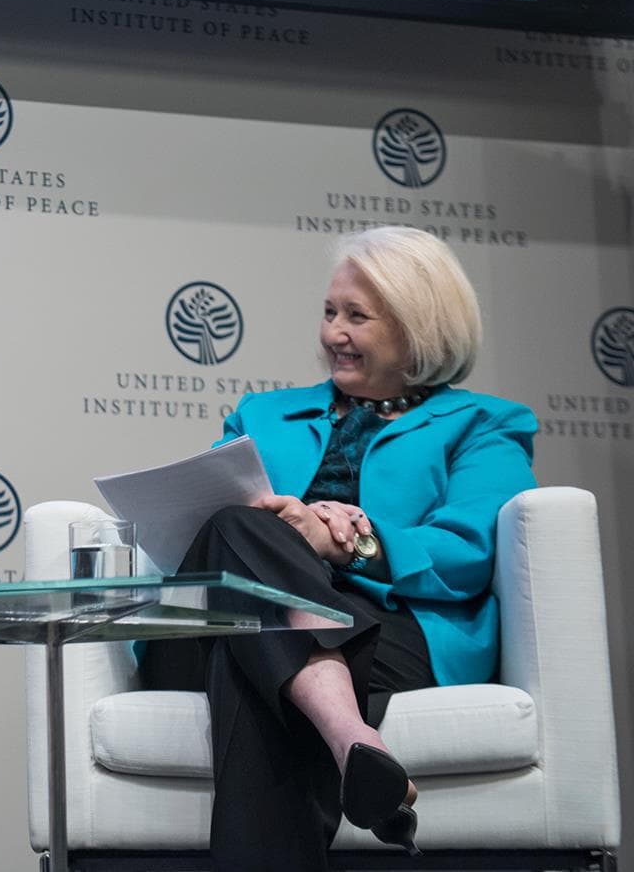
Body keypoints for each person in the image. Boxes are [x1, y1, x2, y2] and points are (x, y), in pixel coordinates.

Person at [141, 226, 537, 871]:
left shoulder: (484, 426)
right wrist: (284, 533)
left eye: (357, 316)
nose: (333, 333)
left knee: (254, 662)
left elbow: (466, 552)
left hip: (385, 629)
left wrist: (345, 545)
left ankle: (339, 726)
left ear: (419, 328)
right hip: (228, 618)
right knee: (244, 527)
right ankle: (351, 735)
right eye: (329, 312)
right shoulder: (261, 415)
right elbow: (207, 524)